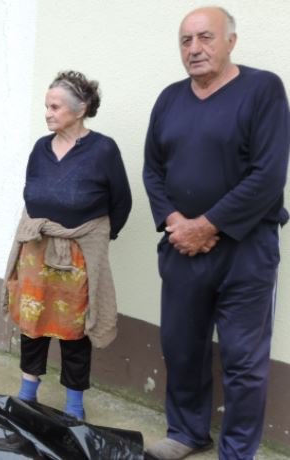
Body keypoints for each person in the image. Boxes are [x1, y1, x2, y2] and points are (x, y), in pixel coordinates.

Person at [143, 7, 290, 460]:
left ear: (230, 41)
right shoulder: (169, 98)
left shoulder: (263, 90)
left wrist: (208, 226)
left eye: (205, 37)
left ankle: (237, 451)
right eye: (186, 41)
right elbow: (152, 170)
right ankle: (187, 432)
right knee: (181, 346)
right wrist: (175, 224)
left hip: (246, 249)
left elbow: (267, 175)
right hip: (181, 247)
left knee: (243, 360)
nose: (195, 49)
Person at [3, 70, 132, 420]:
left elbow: (121, 203)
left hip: (76, 256)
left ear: (81, 109)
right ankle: (28, 392)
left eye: (55, 106)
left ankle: (74, 403)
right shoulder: (40, 148)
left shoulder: (103, 149)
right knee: (32, 323)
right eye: (46, 106)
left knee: (75, 331)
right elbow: (30, 193)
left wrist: (93, 239)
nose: (47, 112)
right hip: (36, 249)